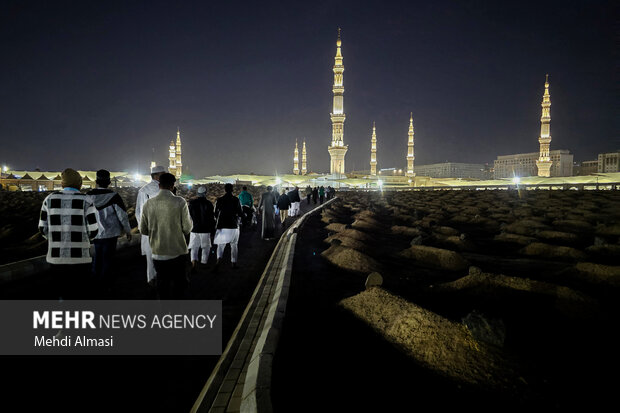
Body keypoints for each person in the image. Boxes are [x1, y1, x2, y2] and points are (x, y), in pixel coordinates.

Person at [38, 168, 99, 299]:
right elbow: (93, 230)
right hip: (81, 258)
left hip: (56, 257)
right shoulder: (87, 200)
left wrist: (56, 239)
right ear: (80, 184)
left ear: (62, 184)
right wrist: (84, 239)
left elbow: (43, 229)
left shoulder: (49, 200)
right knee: (79, 294)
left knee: (61, 293)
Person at [139, 173, 192, 299]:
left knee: (162, 283)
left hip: (158, 252)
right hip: (177, 252)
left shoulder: (148, 204)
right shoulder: (180, 202)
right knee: (179, 284)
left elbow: (143, 230)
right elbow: (187, 228)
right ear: (173, 185)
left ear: (159, 185)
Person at [87, 169, 132, 295]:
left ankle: (95, 284)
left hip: (95, 233)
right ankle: (105, 285)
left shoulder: (88, 196)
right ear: (109, 182)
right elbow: (122, 215)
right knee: (108, 259)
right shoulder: (114, 196)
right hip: (111, 234)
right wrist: (128, 230)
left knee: (97, 258)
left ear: (96, 182)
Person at [136, 165, 166, 285]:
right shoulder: (162, 190)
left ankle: (151, 279)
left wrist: (141, 227)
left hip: (149, 228)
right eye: (163, 174)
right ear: (156, 175)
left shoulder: (143, 190)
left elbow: (138, 211)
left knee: (151, 257)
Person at [213, 183, 243, 269]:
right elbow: (240, 212)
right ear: (232, 190)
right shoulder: (236, 200)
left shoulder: (220, 200)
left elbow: (215, 213)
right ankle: (233, 263)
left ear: (225, 190)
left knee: (221, 245)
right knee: (234, 245)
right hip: (233, 225)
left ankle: (218, 261)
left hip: (222, 225)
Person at [188, 186, 215, 271]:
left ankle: (193, 264)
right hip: (205, 230)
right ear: (205, 193)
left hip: (194, 229)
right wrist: (212, 231)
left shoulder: (192, 203)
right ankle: (204, 263)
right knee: (206, 247)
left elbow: (188, 217)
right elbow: (211, 219)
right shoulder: (209, 204)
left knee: (194, 248)